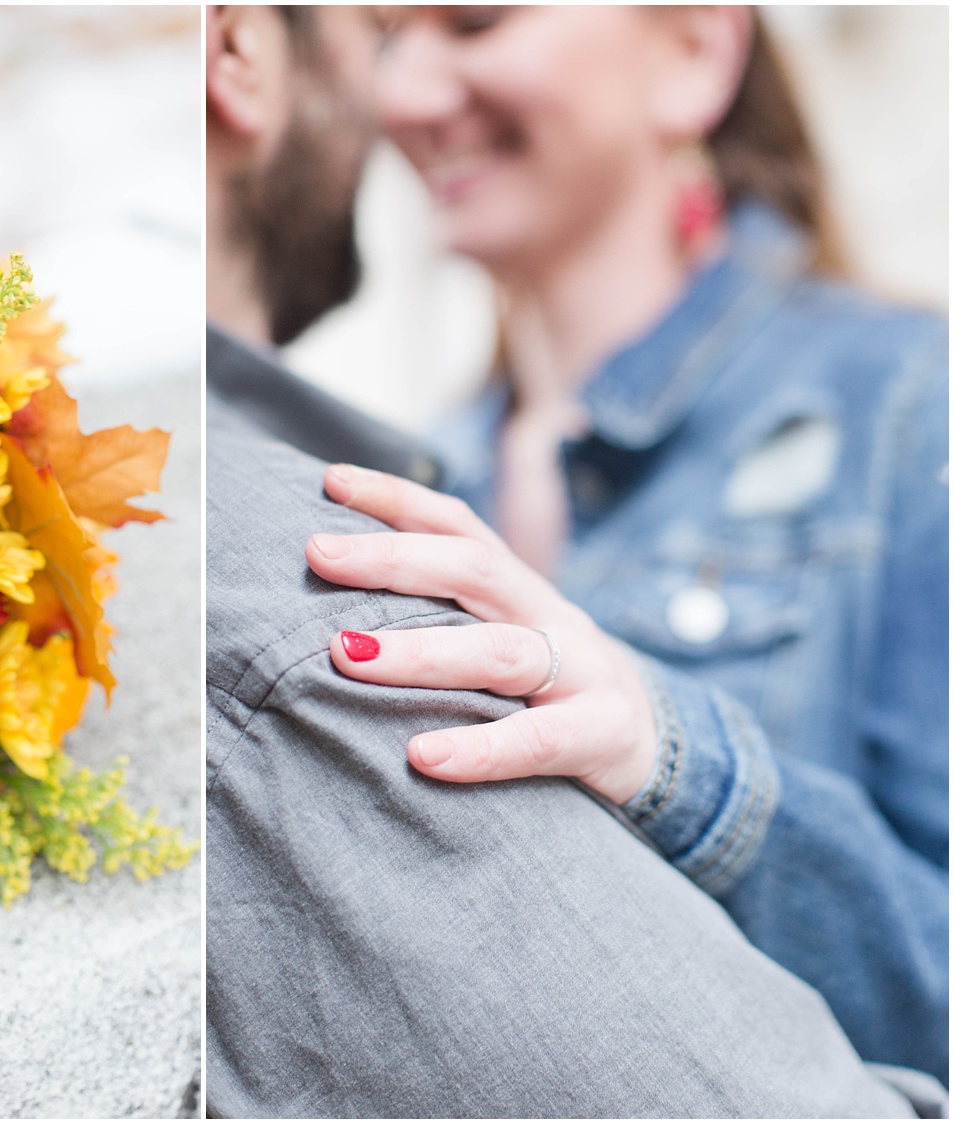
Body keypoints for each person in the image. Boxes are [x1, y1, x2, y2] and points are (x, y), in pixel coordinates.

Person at [204, 4, 947, 1115]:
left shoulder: (910, 406)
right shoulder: (414, 475)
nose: (404, 95)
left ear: (694, 52)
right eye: (394, 37)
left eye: (473, 22)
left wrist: (673, 756)